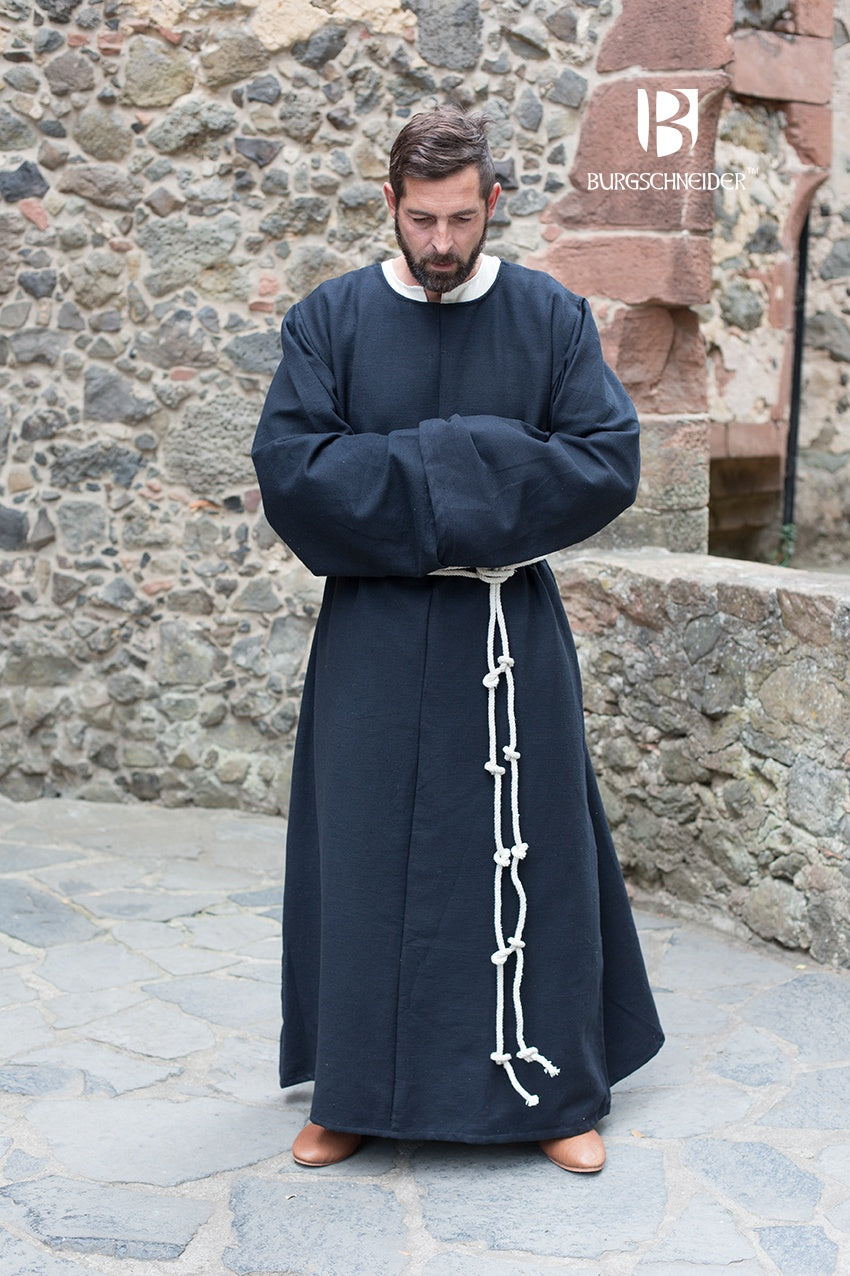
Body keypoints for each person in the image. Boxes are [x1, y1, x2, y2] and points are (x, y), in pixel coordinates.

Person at [252, 106, 664, 1175]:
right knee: (364, 853)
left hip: (506, 631)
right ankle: (352, 1089)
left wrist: (402, 470)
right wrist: (481, 469)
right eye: (420, 219)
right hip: (374, 639)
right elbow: (296, 475)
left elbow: (604, 461)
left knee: (531, 855)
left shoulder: (550, 318)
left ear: (493, 205)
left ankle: (549, 1090)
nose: (439, 244)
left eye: (459, 219)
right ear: (390, 206)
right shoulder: (327, 323)